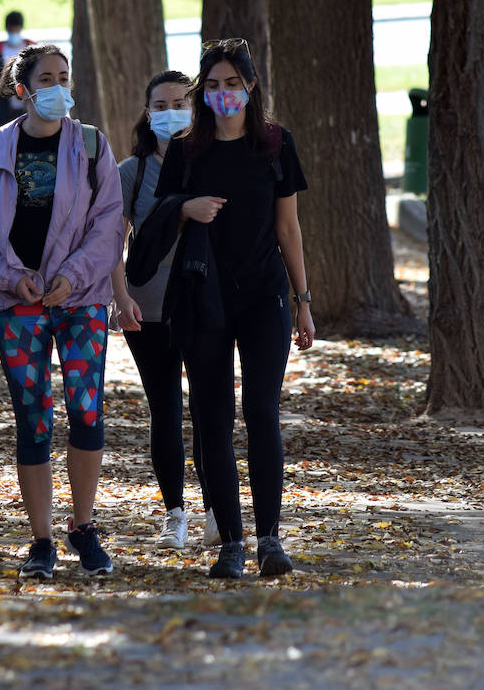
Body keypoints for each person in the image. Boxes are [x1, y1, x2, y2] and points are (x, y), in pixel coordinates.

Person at [154, 38, 314, 579]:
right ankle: (231, 541)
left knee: (262, 414)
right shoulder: (185, 149)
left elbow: (289, 228)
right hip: (204, 298)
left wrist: (303, 301)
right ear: (204, 92)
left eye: (233, 83)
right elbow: (158, 223)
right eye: (214, 85)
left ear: (250, 85)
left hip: (265, 296)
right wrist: (185, 207)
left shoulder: (276, 144)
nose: (225, 94)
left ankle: (270, 538)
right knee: (213, 420)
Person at [0, 43, 123, 578]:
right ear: (22, 89)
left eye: (64, 76)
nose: (57, 87)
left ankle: (83, 527)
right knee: (33, 418)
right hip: (17, 304)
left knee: (86, 409)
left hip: (80, 301)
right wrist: (14, 279)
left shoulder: (94, 146)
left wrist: (71, 277)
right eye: (46, 78)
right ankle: (42, 541)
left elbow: (108, 227)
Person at [109, 70, 213, 551]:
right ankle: (176, 514)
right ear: (148, 112)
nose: (171, 112)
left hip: (204, 303)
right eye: (161, 104)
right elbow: (110, 239)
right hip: (146, 305)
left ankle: (217, 510)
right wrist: (119, 296)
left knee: (209, 409)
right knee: (166, 409)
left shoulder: (212, 163)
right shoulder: (130, 172)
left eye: (180, 102)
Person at [0, 11, 33, 125]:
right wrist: (2, 88)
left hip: (30, 107)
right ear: (6, 28)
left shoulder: (33, 51)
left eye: (16, 28)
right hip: (5, 110)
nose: (14, 32)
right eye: (11, 29)